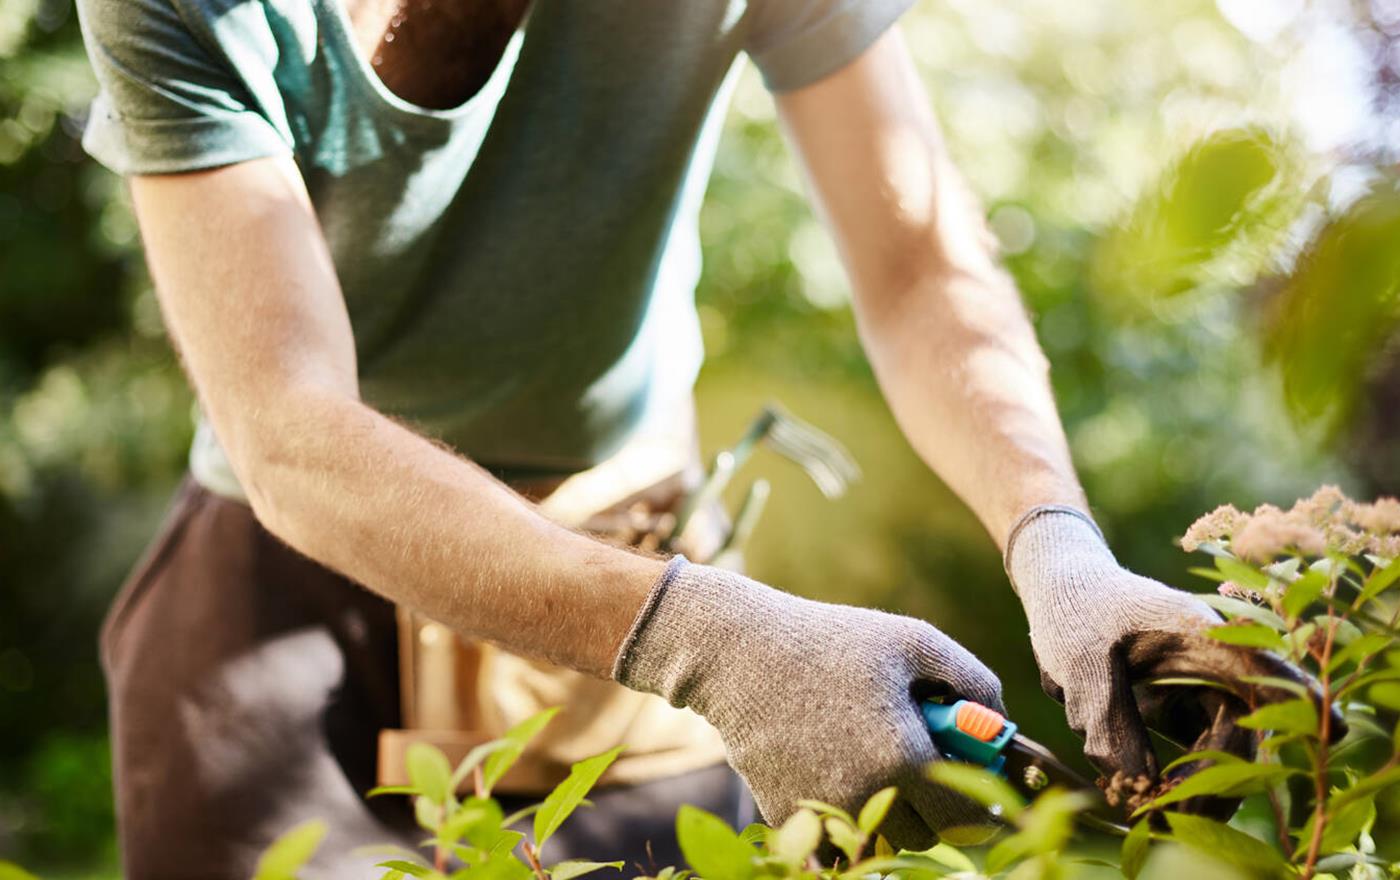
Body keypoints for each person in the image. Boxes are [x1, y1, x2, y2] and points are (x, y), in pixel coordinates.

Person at [75, 1, 1317, 877]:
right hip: (286, 611)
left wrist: (1056, 548)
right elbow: (291, 432)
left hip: (628, 554)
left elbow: (917, 262)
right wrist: (706, 636)